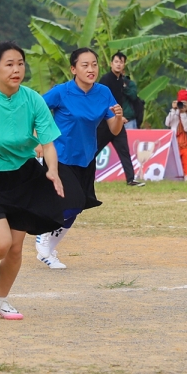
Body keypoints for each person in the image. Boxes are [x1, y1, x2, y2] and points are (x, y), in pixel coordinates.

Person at [0, 41, 84, 320]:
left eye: (20, 63)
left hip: (24, 178)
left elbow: (48, 142)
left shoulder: (33, 100)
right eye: (9, 64)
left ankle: (0, 300)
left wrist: (53, 170)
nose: (16, 69)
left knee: (16, 247)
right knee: (0, 243)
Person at [36, 47, 127, 269]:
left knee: (79, 206)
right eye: (85, 65)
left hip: (86, 157)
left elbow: (114, 130)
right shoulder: (62, 92)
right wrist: (38, 139)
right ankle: (42, 237)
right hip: (60, 156)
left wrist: (118, 117)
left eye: (94, 64)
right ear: (73, 69)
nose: (91, 69)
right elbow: (35, 109)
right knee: (72, 201)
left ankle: (48, 249)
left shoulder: (104, 92)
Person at [99, 51, 145, 186]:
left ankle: (130, 179)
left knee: (124, 150)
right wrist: (115, 116)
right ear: (111, 64)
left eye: (121, 62)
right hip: (105, 123)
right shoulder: (106, 79)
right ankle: (80, 175)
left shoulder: (122, 81)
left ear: (124, 65)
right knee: (93, 150)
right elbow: (102, 101)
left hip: (118, 123)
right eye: (116, 62)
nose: (118, 64)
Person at [165, 89, 187, 181]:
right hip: (175, 142)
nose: (182, 106)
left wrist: (183, 114)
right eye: (181, 103)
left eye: (184, 103)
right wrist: (173, 110)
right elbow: (167, 123)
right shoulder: (175, 112)